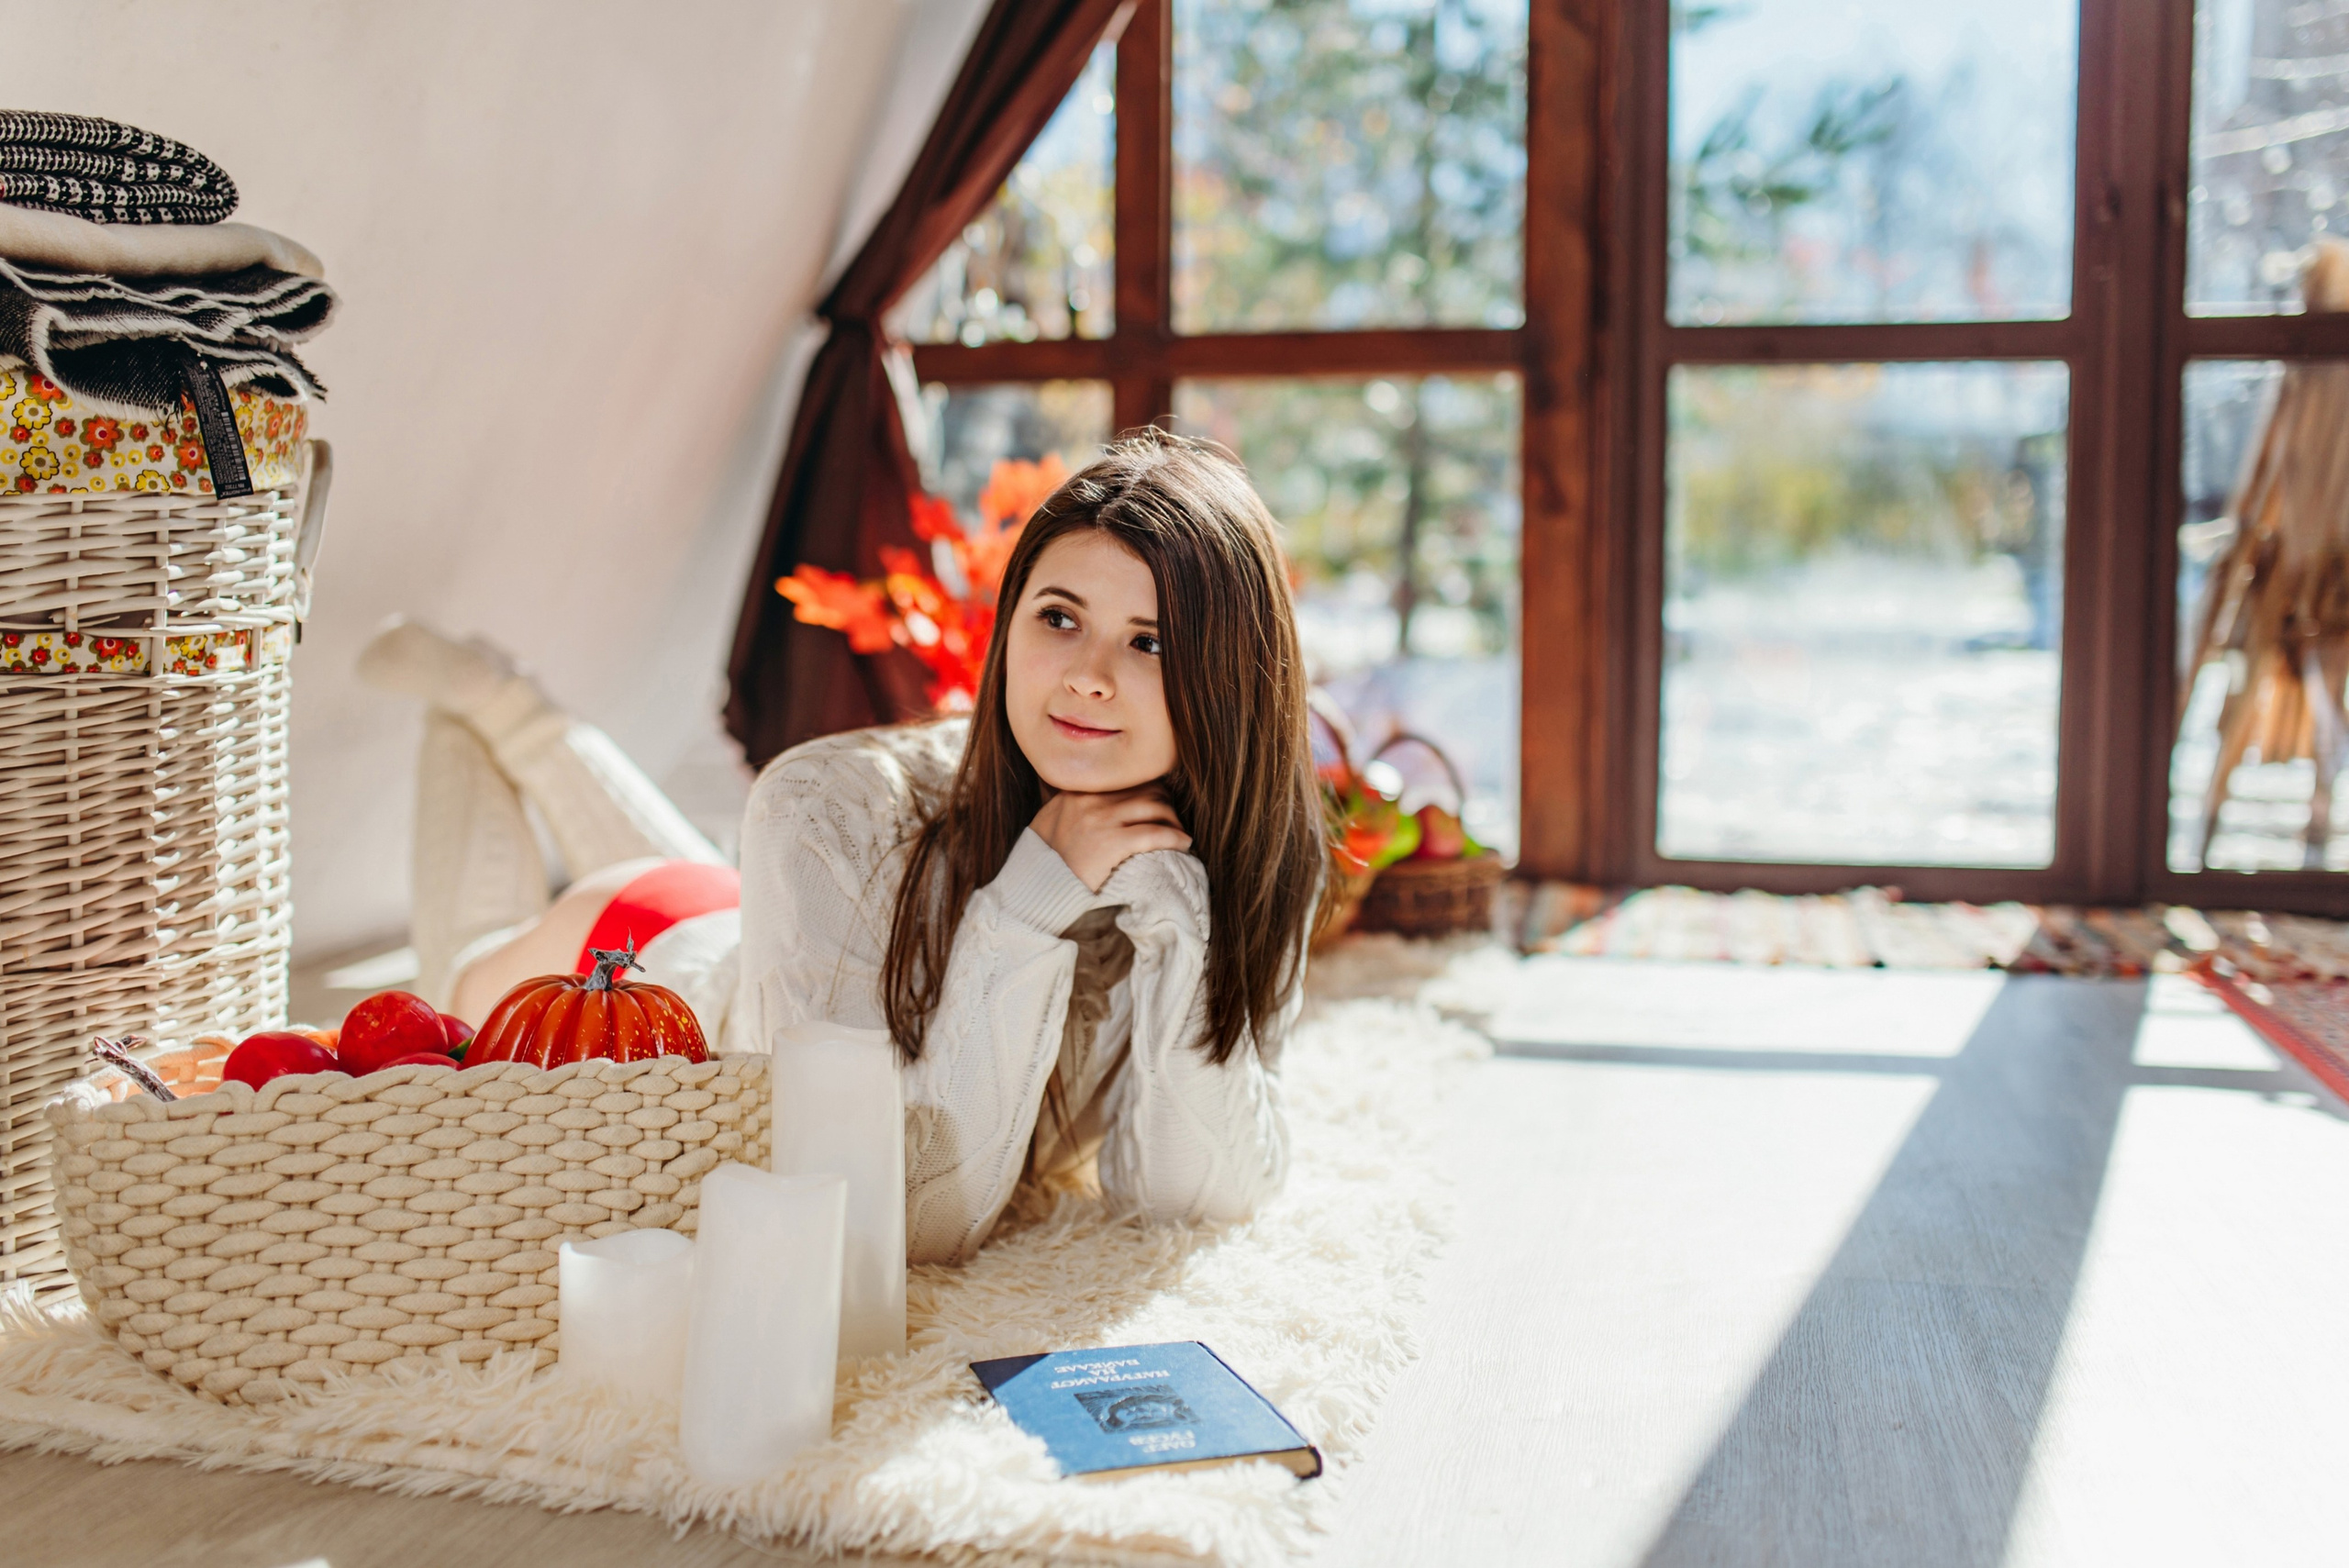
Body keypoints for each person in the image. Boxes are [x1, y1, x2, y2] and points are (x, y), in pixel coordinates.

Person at [362, 429, 1323, 1267]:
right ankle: (481, 709)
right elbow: (892, 1214)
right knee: (452, 984)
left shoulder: (1247, 850)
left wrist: (1180, 907)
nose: (1088, 677)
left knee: (736, 866)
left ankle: (507, 706)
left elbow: (1195, 1194)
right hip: (645, 971)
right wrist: (1025, 906)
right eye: (1059, 617)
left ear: (1231, 678)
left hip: (762, 921)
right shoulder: (842, 809)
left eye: (1149, 642)